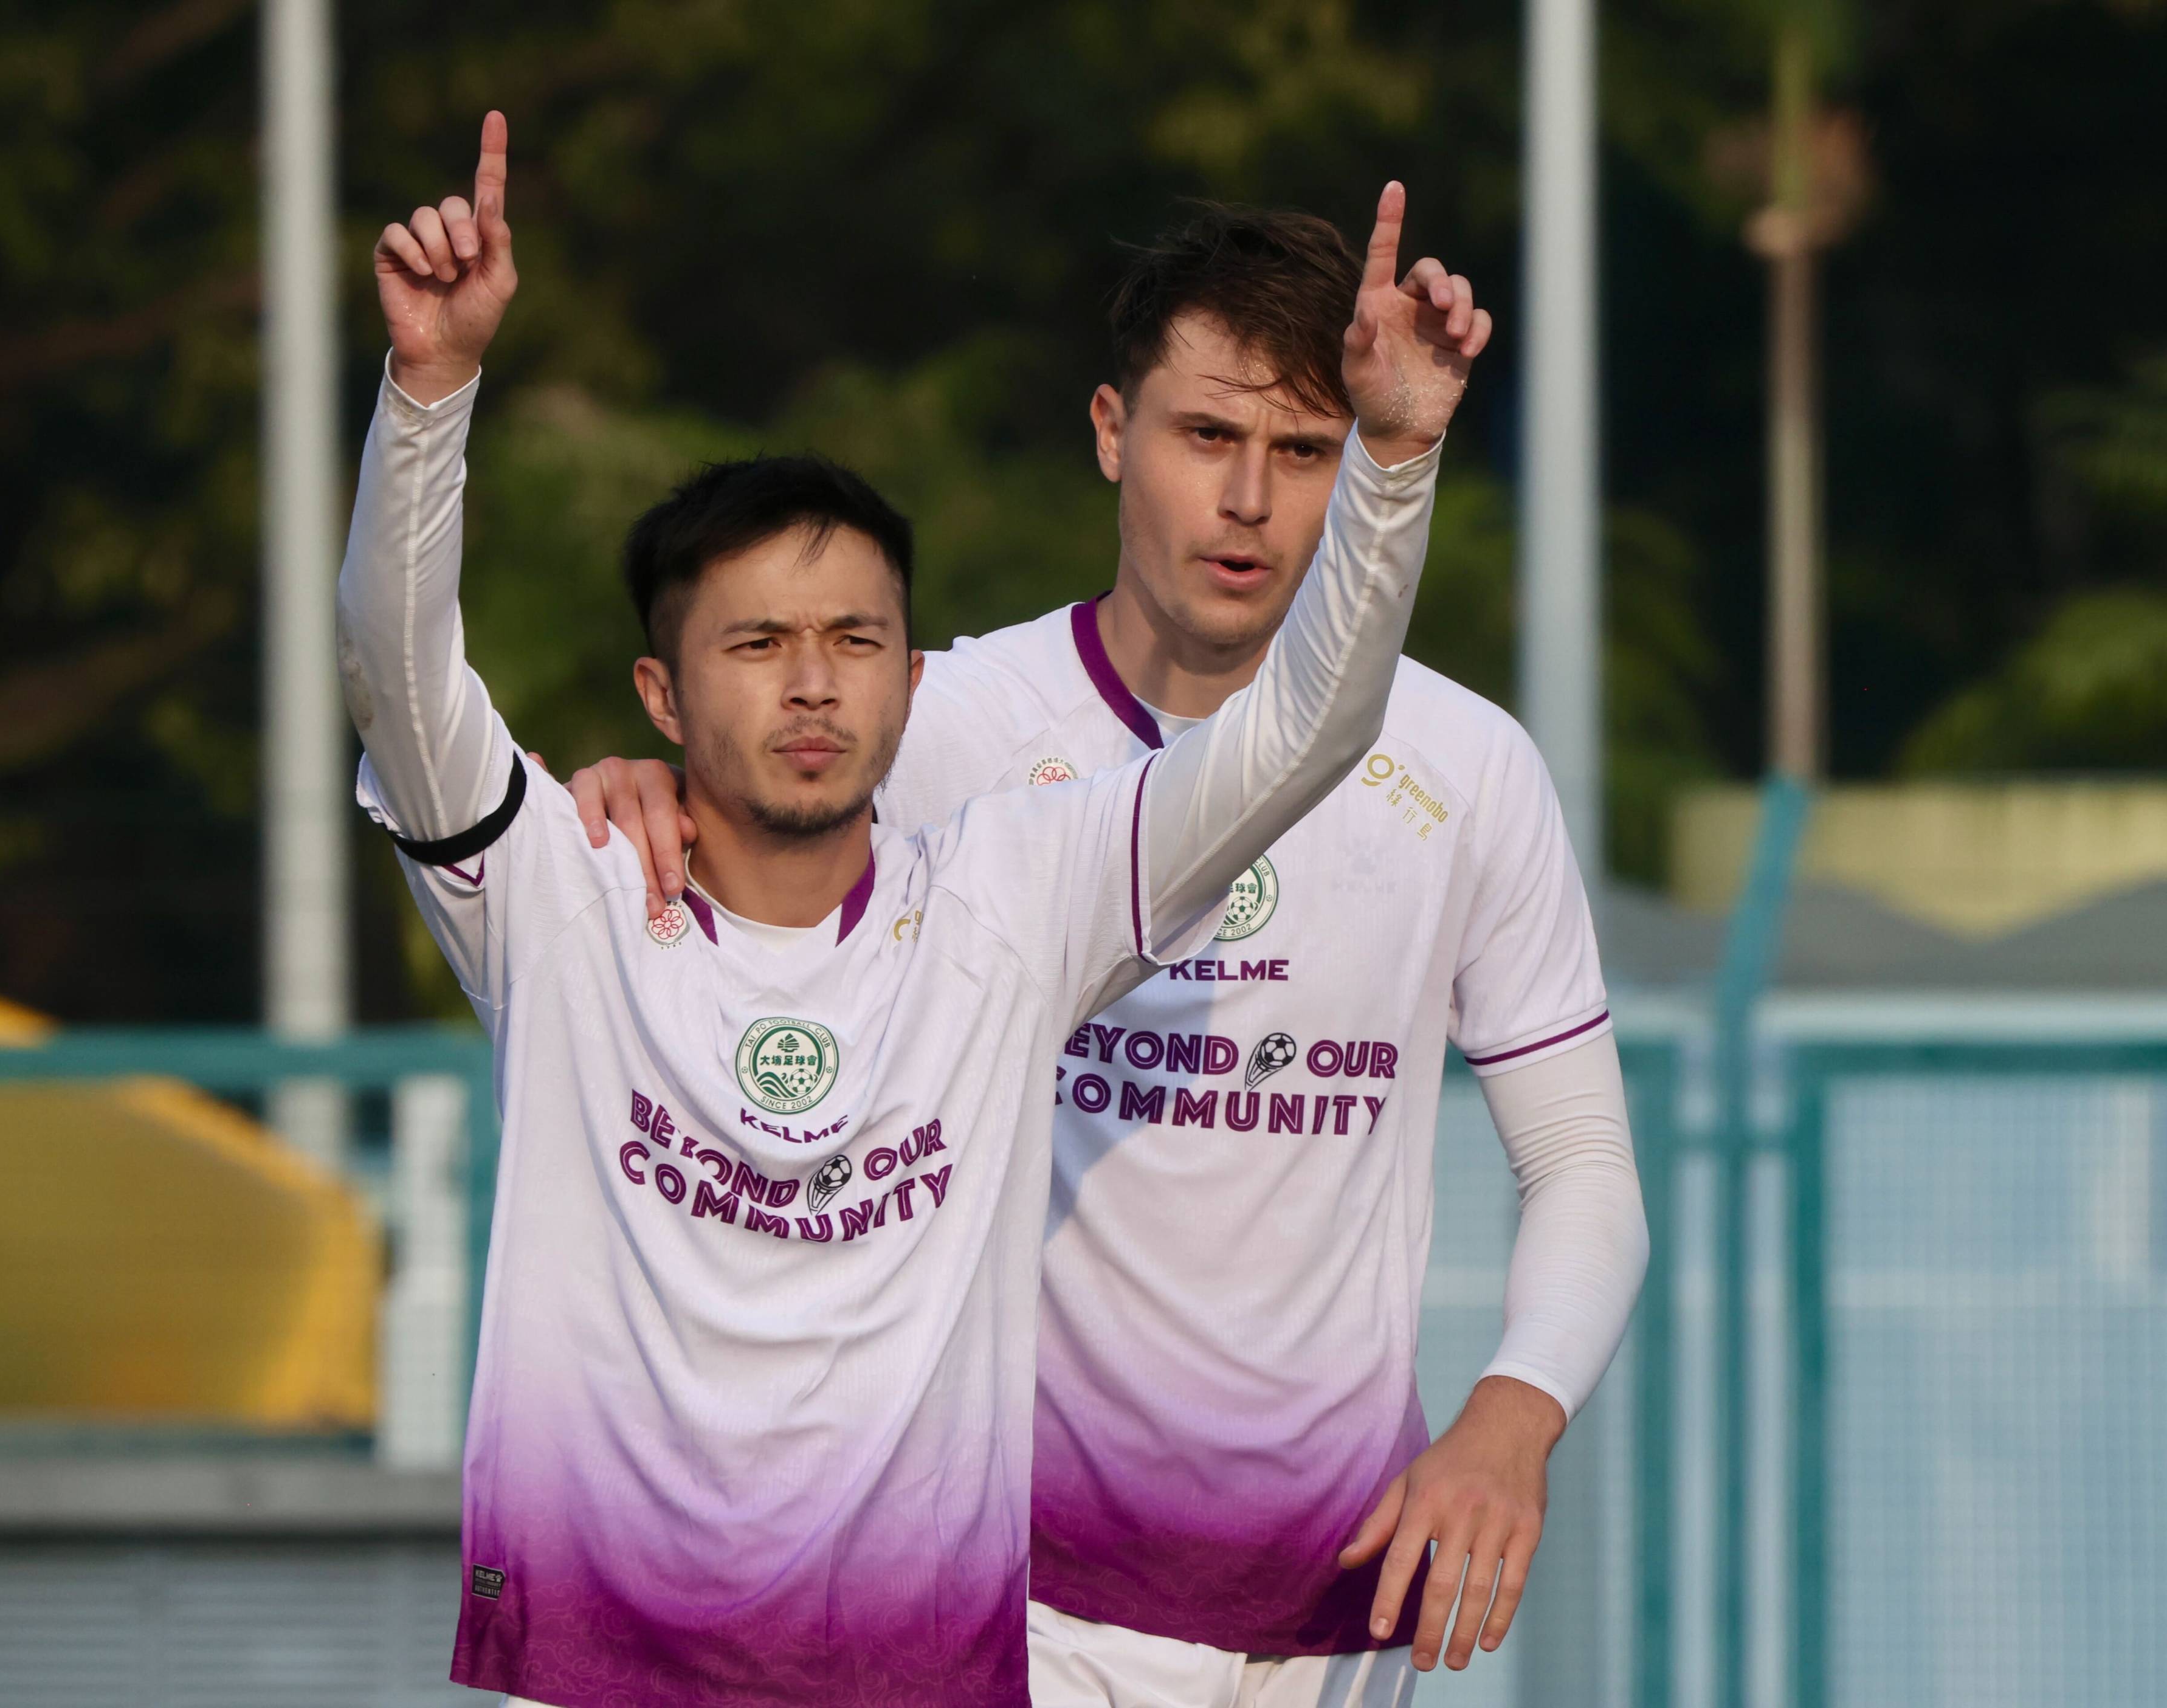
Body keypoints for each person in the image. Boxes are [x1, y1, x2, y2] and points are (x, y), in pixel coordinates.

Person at [342, 113, 1486, 1708]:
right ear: (661, 693)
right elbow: (395, 672)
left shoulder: (1016, 907)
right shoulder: (560, 898)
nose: (814, 685)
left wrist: (1392, 464)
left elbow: (1304, 735)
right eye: (759, 646)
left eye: (856, 641)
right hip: (601, 1667)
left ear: (911, 677)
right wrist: (429, 391)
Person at [571, 203, 1649, 1707]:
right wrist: (645, 792)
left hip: (1337, 1613)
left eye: (1304, 452)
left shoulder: (1467, 766)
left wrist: (1511, 1416)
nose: (1247, 500)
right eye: (1205, 436)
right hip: (1012, 1598)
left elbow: (1584, 1163)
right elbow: (734, 878)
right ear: (1106, 432)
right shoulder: (941, 731)